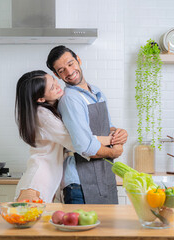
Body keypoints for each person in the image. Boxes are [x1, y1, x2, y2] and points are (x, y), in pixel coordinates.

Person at [14, 70, 123, 203]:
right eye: (52, 87)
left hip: (48, 174)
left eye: (54, 80)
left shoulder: (49, 108)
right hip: (39, 176)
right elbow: (78, 141)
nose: (58, 85)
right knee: (28, 217)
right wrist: (113, 141)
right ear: (41, 99)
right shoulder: (43, 115)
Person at [46, 45, 128, 204]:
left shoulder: (97, 92)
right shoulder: (71, 99)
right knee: (85, 228)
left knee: (106, 228)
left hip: (103, 176)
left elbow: (107, 127)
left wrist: (119, 133)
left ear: (78, 60)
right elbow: (85, 147)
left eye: (70, 64)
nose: (69, 72)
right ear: (56, 74)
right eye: (62, 70)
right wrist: (114, 153)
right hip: (80, 183)